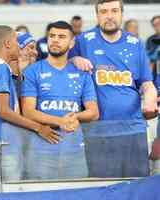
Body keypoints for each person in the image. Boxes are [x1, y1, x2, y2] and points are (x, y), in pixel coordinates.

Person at [69, 0, 158, 177]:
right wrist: (74, 60)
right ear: (97, 15)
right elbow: (61, 63)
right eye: (104, 11)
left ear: (121, 14)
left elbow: (146, 83)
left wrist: (150, 98)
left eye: (114, 11)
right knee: (103, 187)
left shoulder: (135, 43)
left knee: (137, 186)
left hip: (133, 128)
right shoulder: (83, 41)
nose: (109, 16)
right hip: (98, 130)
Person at [21, 21, 98, 180]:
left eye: (61, 37)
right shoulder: (32, 71)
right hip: (41, 150)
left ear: (71, 43)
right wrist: (60, 121)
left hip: (74, 149)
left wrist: (75, 117)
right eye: (52, 36)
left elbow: (94, 112)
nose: (55, 40)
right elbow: (28, 111)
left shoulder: (82, 73)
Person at [0, 25, 60, 180]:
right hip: (5, 146)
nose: (18, 46)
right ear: (7, 44)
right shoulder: (1, 69)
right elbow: (3, 111)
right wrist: (39, 128)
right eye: (15, 41)